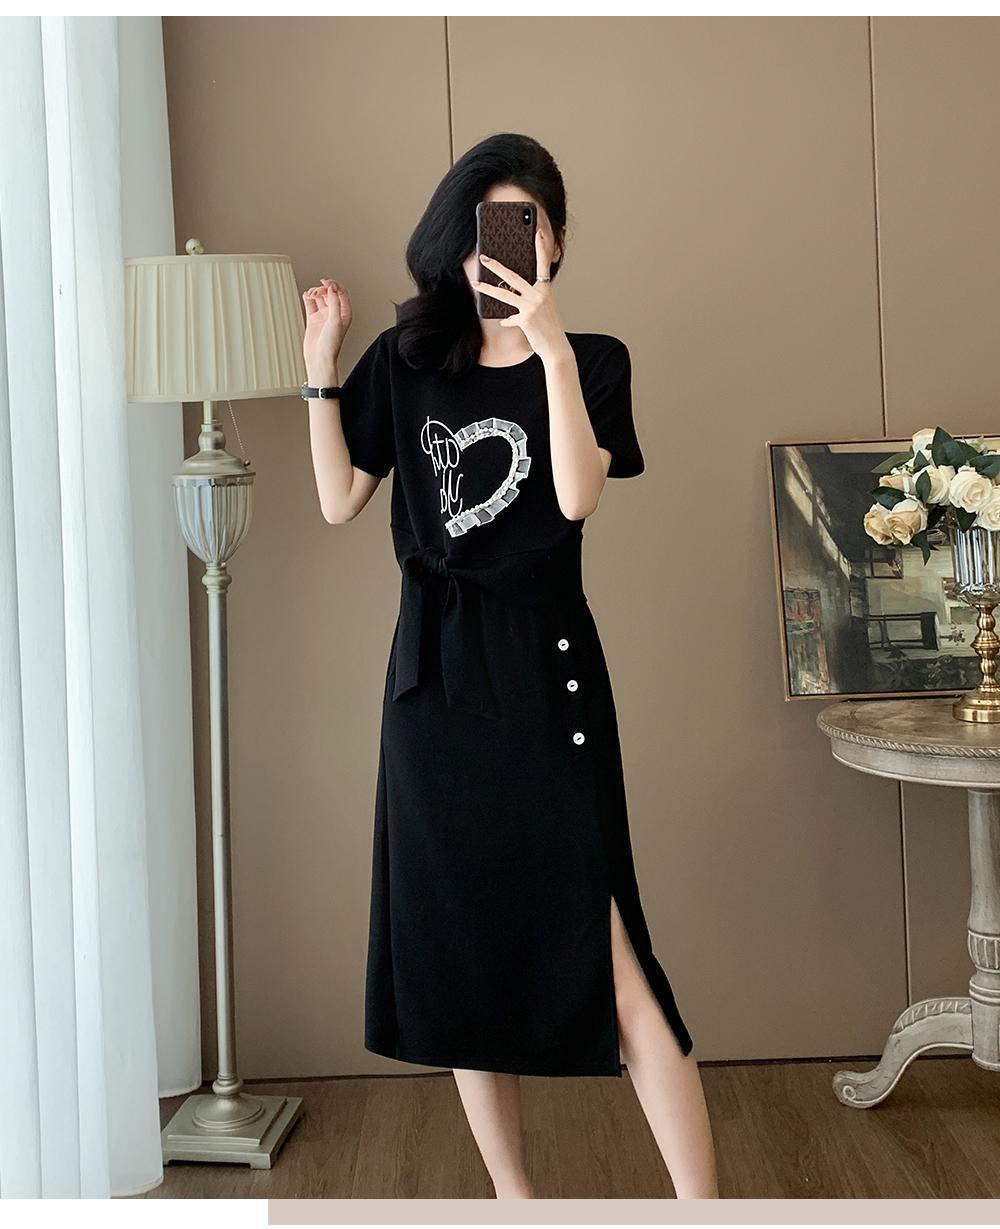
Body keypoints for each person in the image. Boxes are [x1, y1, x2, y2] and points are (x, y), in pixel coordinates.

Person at [303, 132, 718, 1200]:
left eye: (525, 226)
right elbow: (339, 498)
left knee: (614, 955)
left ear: (557, 242)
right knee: (462, 962)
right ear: (456, 240)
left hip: (544, 676)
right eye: (489, 226)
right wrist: (319, 373)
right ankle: (517, 1204)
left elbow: (576, 496)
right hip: (433, 692)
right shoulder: (407, 360)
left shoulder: (595, 359)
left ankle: (709, 1212)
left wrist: (551, 351)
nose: (504, 246)